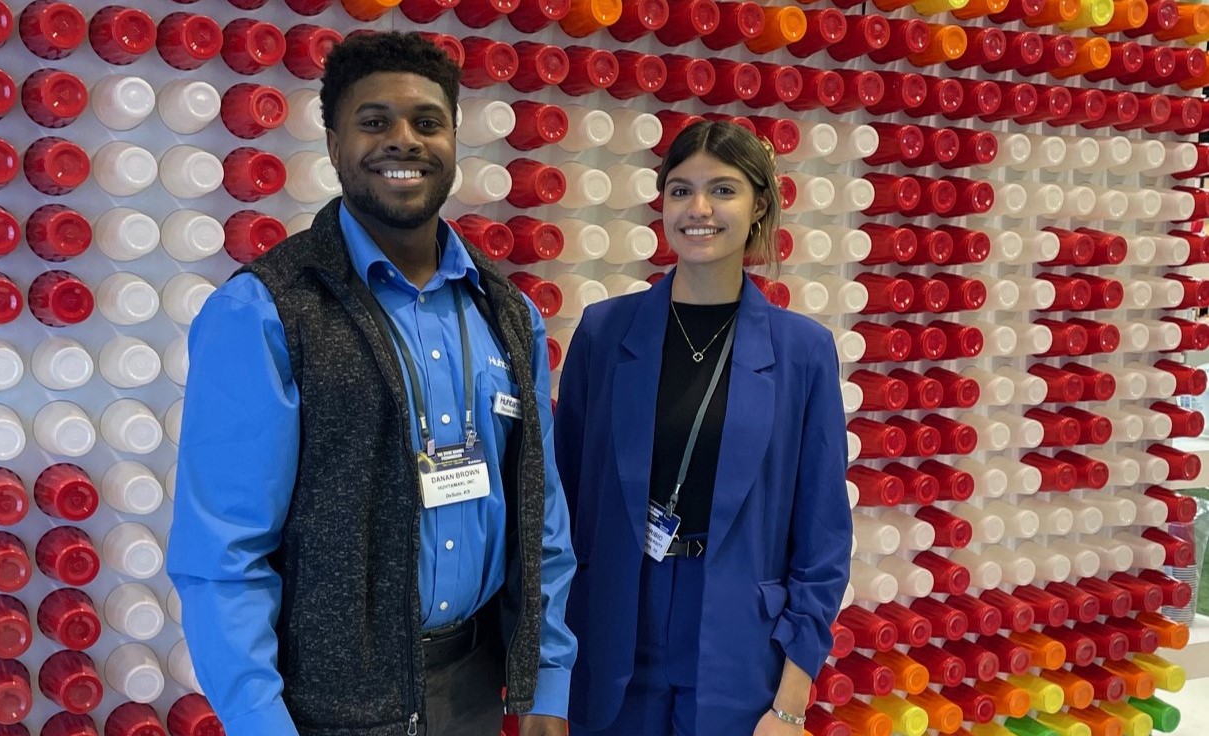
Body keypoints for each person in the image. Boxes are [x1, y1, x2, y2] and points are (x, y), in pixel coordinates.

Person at [167, 31, 576, 736]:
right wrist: (260, 723)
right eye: (374, 121)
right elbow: (224, 554)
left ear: (454, 139)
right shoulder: (267, 310)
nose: (403, 140)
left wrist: (545, 678)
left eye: (426, 122)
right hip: (326, 709)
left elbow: (541, 511)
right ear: (333, 145)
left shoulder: (507, 314)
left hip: (476, 686)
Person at [553, 121, 852, 736]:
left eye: (723, 189)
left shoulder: (803, 351)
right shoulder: (604, 334)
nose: (699, 209)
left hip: (741, 644)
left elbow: (822, 541)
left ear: (758, 204)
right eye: (681, 190)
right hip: (611, 631)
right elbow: (559, 509)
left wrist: (791, 703)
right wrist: (546, 679)